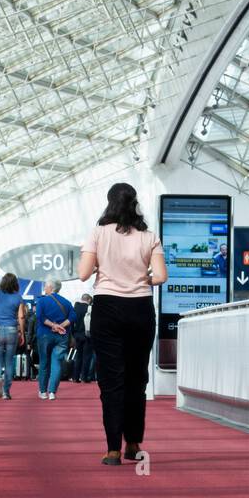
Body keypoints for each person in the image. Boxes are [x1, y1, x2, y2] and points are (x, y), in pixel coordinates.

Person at [78, 182, 167, 465]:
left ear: (109, 203)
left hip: (108, 308)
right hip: (141, 308)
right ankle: (134, 443)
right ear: (134, 203)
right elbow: (161, 277)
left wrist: (105, 267)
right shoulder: (149, 236)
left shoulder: (98, 233)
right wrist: (140, 278)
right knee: (137, 380)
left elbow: (83, 274)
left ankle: (113, 450)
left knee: (111, 381)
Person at [0, 274, 26, 401]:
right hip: (12, 330)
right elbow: (21, 317)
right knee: (9, 362)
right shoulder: (18, 297)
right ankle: (6, 392)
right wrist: (22, 333)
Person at [36, 281, 74, 400]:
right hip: (62, 336)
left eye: (46, 286)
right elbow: (73, 317)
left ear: (51, 287)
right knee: (57, 363)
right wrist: (60, 326)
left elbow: (40, 317)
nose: (45, 288)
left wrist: (53, 325)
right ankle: (52, 392)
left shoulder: (42, 301)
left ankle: (43, 392)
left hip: (44, 335)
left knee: (44, 363)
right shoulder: (67, 302)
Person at [72, 294, 94, 383]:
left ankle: (75, 377)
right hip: (87, 335)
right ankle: (84, 377)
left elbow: (71, 322)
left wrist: (73, 334)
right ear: (88, 300)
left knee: (78, 356)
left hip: (77, 335)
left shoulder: (75, 308)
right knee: (87, 357)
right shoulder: (89, 308)